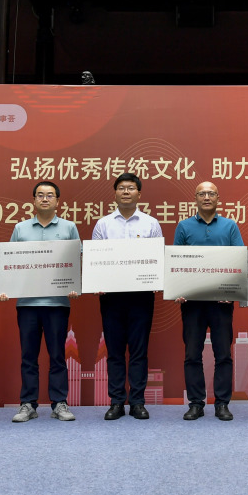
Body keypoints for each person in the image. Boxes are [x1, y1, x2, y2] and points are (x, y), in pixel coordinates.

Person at [0, 181, 79, 423]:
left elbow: (76, 260)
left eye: (50, 195)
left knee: (57, 356)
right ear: (33, 200)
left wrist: (74, 285)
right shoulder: (21, 229)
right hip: (27, 304)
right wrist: (5, 288)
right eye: (40, 195)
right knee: (28, 356)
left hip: (57, 303)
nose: (45, 199)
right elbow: (11, 263)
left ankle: (59, 403)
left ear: (58, 201)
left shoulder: (69, 227)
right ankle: (28, 404)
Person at [91, 173, 163, 420]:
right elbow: (96, 259)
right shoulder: (103, 224)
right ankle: (116, 402)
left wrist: (156, 278)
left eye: (130, 188)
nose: (125, 192)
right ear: (115, 193)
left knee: (139, 351)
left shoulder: (151, 224)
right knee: (114, 351)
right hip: (111, 297)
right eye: (121, 188)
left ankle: (138, 402)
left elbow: (157, 257)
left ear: (139, 194)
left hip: (141, 296)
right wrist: (97, 281)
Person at [173, 180, 245, 421]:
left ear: (218, 198)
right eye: (202, 194)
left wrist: (231, 292)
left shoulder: (229, 226)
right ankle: (196, 403)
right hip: (192, 302)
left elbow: (238, 261)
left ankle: (222, 403)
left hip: (221, 302)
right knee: (192, 355)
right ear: (195, 198)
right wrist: (178, 289)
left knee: (223, 354)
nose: (206, 197)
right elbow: (177, 263)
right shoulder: (184, 226)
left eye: (211, 193)